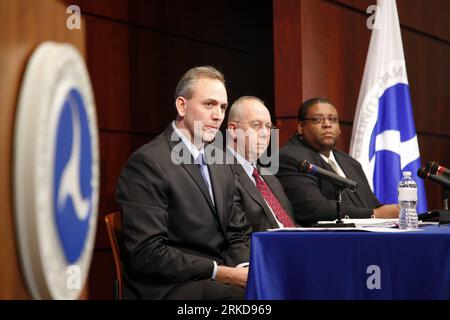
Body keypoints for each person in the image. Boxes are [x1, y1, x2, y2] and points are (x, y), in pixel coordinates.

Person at [116, 66, 251, 300]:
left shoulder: (221, 161)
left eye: (222, 107)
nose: (218, 115)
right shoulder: (148, 162)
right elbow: (147, 254)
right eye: (209, 104)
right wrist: (220, 273)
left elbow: (236, 233)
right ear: (181, 106)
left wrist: (245, 269)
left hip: (218, 280)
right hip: (169, 288)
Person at [277, 97, 399, 226]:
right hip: (325, 240)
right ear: (301, 127)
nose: (327, 124)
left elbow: (371, 204)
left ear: (339, 128)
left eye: (333, 119)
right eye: (317, 119)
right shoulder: (292, 158)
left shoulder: (351, 163)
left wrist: (392, 212)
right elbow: (313, 209)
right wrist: (374, 215)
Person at [226, 96, 296, 231]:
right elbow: (238, 236)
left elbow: (291, 226)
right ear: (234, 130)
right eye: (256, 125)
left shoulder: (269, 177)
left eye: (268, 126)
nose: (265, 133)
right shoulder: (222, 173)